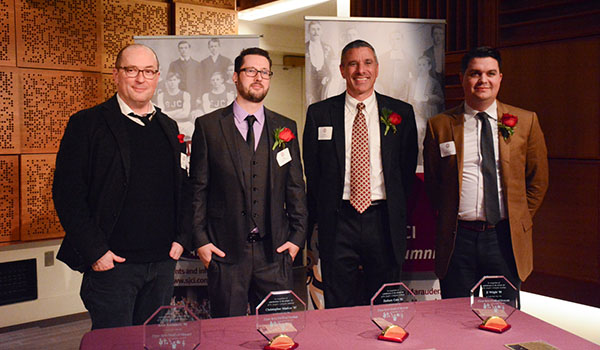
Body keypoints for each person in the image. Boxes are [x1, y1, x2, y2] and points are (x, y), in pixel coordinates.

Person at [53, 44, 190, 329]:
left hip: (162, 265)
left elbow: (183, 189)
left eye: (148, 71)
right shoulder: (87, 124)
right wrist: (96, 253)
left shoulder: (169, 125)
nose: (141, 78)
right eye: (132, 70)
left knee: (153, 344)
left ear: (157, 76)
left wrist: (182, 238)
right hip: (114, 267)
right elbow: (68, 195)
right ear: (116, 74)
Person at [423, 46, 549, 299]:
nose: (483, 80)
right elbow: (433, 183)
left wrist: (518, 217)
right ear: (462, 78)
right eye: (475, 73)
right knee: (455, 318)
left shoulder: (525, 121)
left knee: (502, 318)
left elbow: (538, 180)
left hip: (504, 239)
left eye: (490, 73)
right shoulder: (440, 125)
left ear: (500, 77)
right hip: (458, 240)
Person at [191, 47, 307, 318]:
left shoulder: (284, 127)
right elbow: (198, 189)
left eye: (265, 72)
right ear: (235, 76)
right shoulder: (209, 127)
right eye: (251, 71)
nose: (258, 77)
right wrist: (200, 241)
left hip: (275, 253)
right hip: (226, 254)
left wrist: (296, 238)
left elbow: (295, 188)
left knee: (278, 332)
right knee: (226, 335)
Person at [303, 40, 418, 308]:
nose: (360, 70)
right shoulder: (319, 114)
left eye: (367, 63)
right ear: (342, 70)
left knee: (385, 302)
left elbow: (405, 171)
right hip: (339, 221)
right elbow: (313, 171)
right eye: (353, 63)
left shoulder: (401, 113)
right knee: (339, 302)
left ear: (377, 69)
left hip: (383, 221)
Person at [407, 55, 444, 164]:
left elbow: (440, 98)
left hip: (427, 114)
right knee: (414, 140)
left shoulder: (434, 82)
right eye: (419, 65)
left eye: (423, 65)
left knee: (426, 141)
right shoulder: (412, 82)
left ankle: (425, 164)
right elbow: (406, 96)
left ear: (429, 66)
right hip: (414, 113)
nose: (421, 67)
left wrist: (427, 98)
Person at [377, 31, 416, 101]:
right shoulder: (383, 57)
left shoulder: (409, 58)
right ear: (389, 41)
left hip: (403, 93)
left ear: (402, 41)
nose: (395, 42)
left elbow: (414, 77)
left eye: (397, 39)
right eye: (392, 39)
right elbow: (379, 76)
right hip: (387, 92)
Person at [157, 72, 192, 139]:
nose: (172, 82)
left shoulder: (185, 94)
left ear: (178, 81)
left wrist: (168, 114)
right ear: (167, 82)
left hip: (184, 123)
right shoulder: (161, 96)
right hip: (168, 125)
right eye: (170, 80)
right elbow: (161, 114)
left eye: (174, 80)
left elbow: (186, 114)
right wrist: (179, 111)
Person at [305, 21, 333, 105]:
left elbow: (333, 66)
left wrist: (328, 77)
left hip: (325, 82)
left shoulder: (328, 48)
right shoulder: (305, 47)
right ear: (308, 31)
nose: (316, 32)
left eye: (318, 29)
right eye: (313, 29)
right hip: (310, 83)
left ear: (321, 31)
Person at [168, 41, 202, 108]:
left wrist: (199, 97)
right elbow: (169, 81)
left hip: (193, 95)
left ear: (189, 49)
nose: (183, 50)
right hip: (178, 96)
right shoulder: (173, 64)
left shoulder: (197, 64)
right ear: (178, 50)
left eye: (185, 48)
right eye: (181, 48)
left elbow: (200, 82)